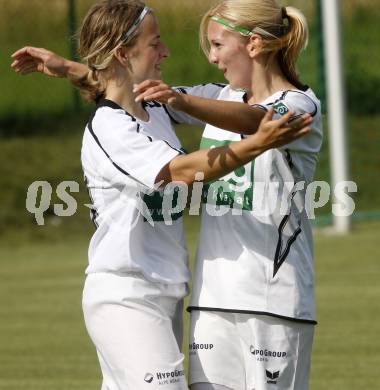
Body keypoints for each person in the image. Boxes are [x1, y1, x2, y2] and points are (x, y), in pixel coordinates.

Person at [11, 1, 312, 390]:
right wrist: (256, 145)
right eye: (155, 43)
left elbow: (127, 85)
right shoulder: (110, 127)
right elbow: (181, 172)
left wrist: (71, 69)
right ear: (123, 52)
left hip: (167, 290)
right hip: (126, 292)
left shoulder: (155, 108)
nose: (166, 51)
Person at [133, 1, 323, 390]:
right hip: (212, 299)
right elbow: (134, 94)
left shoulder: (301, 104)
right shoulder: (219, 97)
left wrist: (182, 102)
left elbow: (260, 121)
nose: (213, 58)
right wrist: (71, 70)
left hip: (273, 302)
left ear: (253, 44)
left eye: (218, 45)